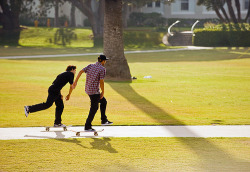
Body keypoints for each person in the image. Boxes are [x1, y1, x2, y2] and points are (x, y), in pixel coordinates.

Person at [73, 55, 113, 131]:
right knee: (94, 108)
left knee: (103, 101)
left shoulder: (91, 65)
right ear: (102, 61)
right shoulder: (102, 69)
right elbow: (101, 81)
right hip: (94, 91)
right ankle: (87, 126)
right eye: (105, 60)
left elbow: (81, 71)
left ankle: (104, 120)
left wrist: (75, 81)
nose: (105, 62)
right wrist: (103, 92)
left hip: (88, 90)